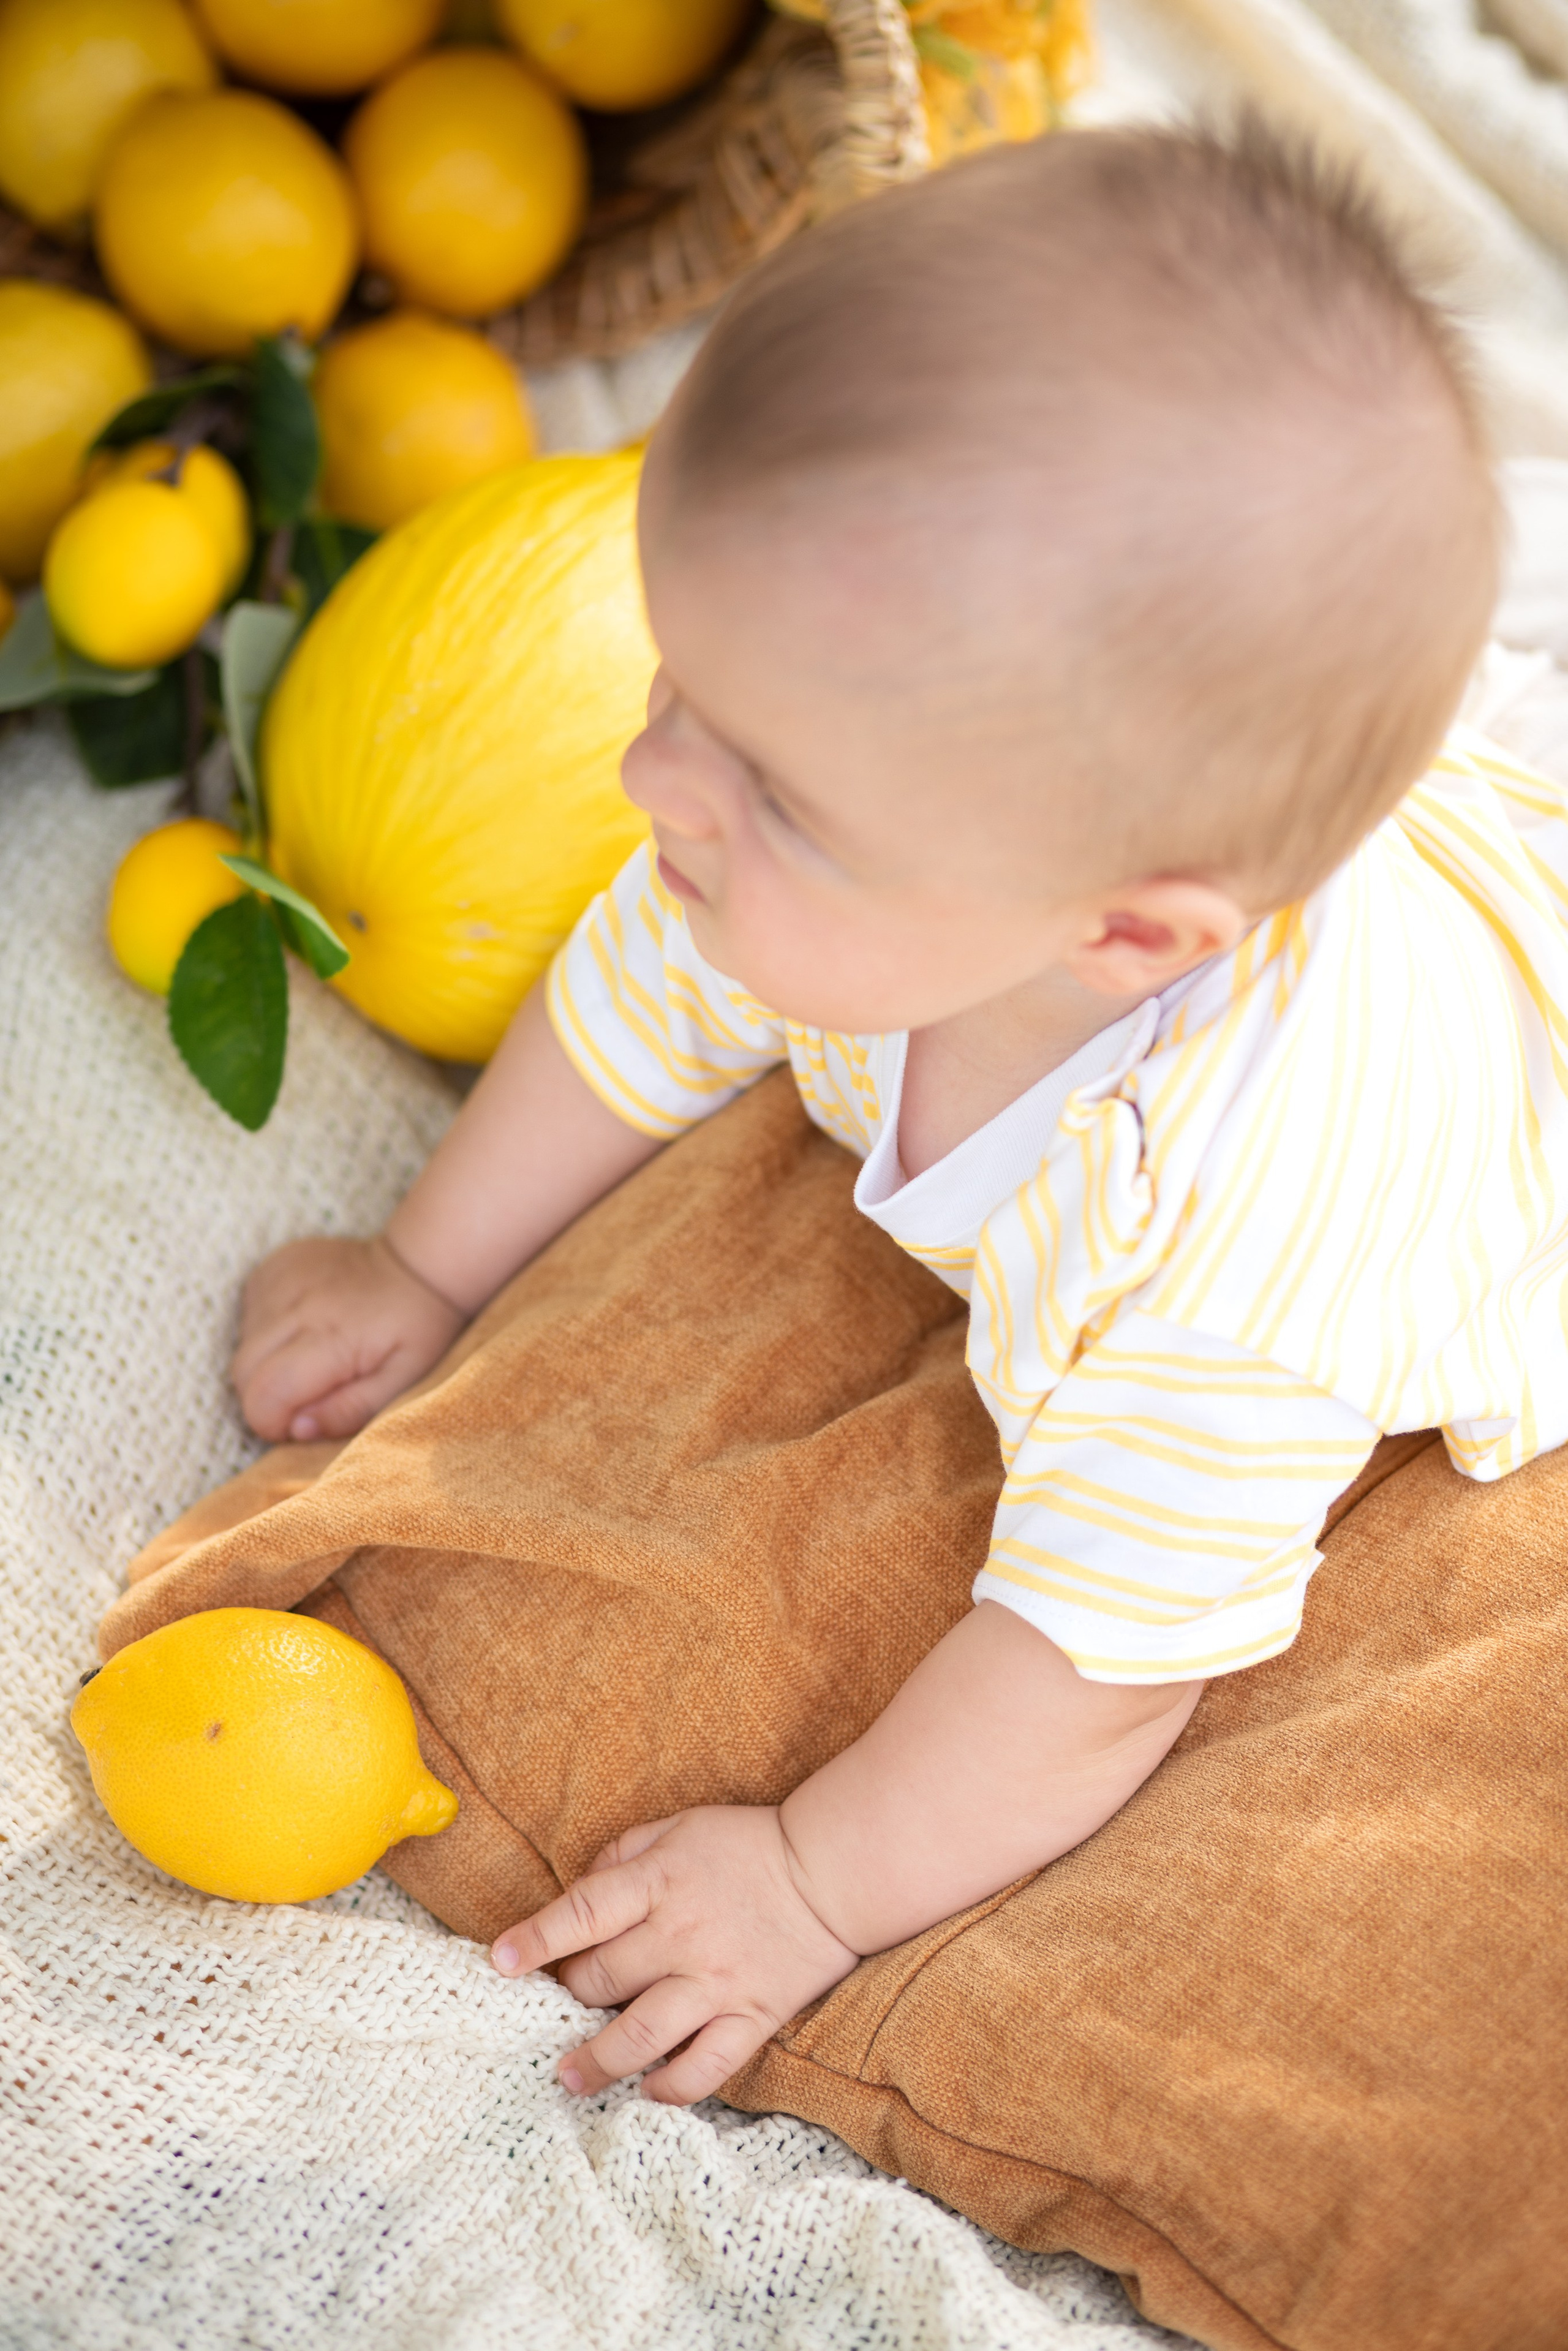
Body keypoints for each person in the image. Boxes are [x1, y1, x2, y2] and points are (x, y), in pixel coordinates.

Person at [232, 124, 1568, 2106]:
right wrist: (429, 1261)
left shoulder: (1235, 1257)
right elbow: (642, 989)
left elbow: (1100, 1664)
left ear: (1122, 933)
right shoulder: (849, 854)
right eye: (680, 684)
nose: (652, 777)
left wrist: (813, 1879)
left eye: (767, 787)